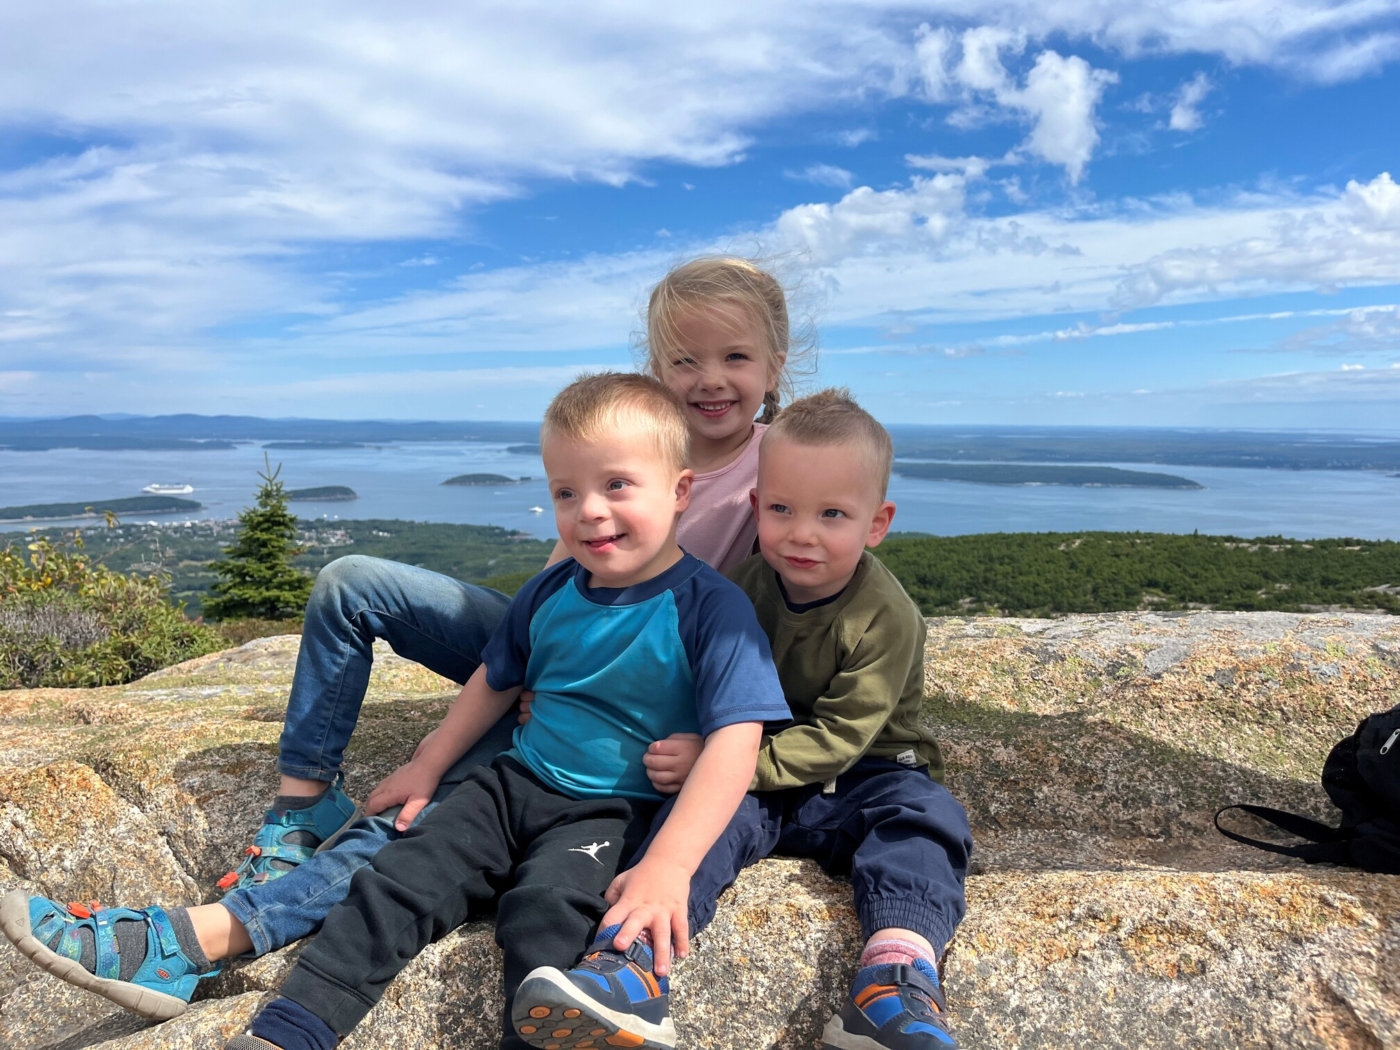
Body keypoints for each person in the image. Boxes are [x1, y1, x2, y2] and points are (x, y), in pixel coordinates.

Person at [0, 255, 809, 1018]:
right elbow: (558, 572)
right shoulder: (618, 434)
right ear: (655, 367)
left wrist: (717, 738)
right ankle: (302, 808)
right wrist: (527, 669)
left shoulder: (784, 460)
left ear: (774, 368)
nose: (709, 380)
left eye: (734, 357)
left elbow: (815, 603)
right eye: (684, 359)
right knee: (353, 582)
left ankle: (198, 938)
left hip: (653, 693)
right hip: (557, 643)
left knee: (428, 814)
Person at [511, 390, 974, 1050]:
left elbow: (843, 738)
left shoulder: (885, 614)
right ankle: (630, 966)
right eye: (782, 509)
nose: (803, 532)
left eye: (833, 514)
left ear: (878, 523)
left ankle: (894, 980)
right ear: (757, 508)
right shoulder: (745, 588)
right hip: (755, 770)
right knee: (694, 823)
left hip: (867, 775)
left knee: (927, 818)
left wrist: (718, 763)